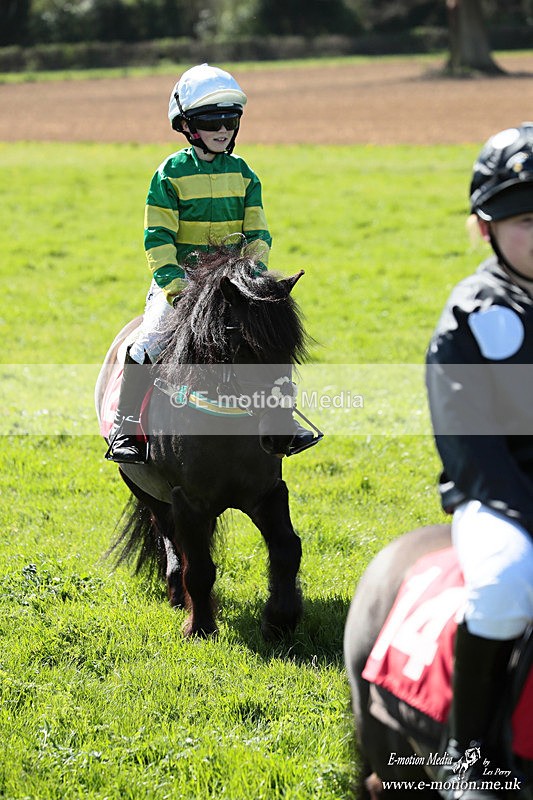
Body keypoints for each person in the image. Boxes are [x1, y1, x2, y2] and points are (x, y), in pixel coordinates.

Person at [107, 63, 316, 463]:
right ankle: (127, 429)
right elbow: (159, 238)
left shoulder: (245, 174)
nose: (223, 129)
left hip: (233, 285)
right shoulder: (169, 174)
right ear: (187, 126)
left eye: (230, 120)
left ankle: (282, 422)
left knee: (271, 338)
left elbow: (258, 234)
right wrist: (175, 288)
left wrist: (251, 277)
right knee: (145, 344)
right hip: (181, 284)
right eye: (210, 121)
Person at [426, 123, 533, 799]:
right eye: (525, 219)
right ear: (486, 227)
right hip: (498, 494)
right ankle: (470, 752)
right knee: (502, 583)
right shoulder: (474, 313)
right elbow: (469, 444)